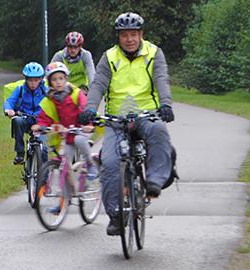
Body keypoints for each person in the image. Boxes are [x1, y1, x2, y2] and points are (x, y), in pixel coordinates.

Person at [77, 12, 176, 236]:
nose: (129, 39)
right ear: (118, 37)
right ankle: (115, 215)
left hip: (147, 114)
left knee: (159, 131)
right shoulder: (109, 57)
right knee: (110, 163)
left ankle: (154, 180)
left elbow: (161, 79)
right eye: (125, 35)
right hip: (116, 120)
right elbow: (98, 84)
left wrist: (166, 105)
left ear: (141, 34)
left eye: (134, 34)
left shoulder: (153, 53)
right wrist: (90, 109)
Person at [31, 62, 99, 192]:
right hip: (68, 135)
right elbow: (46, 115)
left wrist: (89, 124)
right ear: (50, 83)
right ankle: (64, 200)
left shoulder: (76, 94)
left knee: (79, 140)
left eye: (61, 78)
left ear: (66, 79)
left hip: (81, 129)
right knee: (64, 166)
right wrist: (41, 126)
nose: (58, 82)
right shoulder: (50, 99)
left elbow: (85, 109)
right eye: (54, 80)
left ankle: (90, 164)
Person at [3, 62, 48, 164]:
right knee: (17, 120)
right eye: (30, 80)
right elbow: (10, 101)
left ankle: (44, 174)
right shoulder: (20, 89)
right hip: (25, 118)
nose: (33, 83)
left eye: (36, 80)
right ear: (25, 79)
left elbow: (54, 103)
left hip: (40, 121)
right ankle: (19, 153)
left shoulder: (46, 91)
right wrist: (8, 110)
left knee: (44, 149)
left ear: (41, 79)